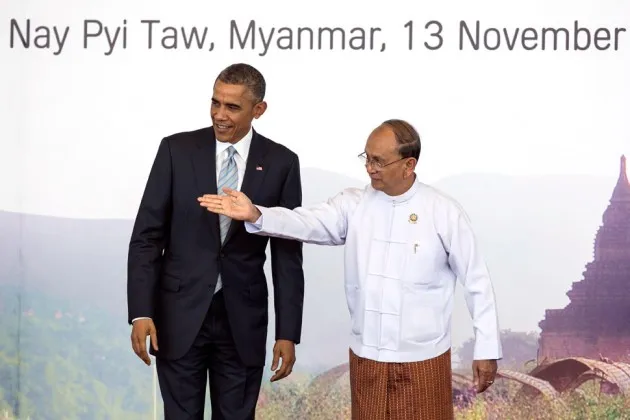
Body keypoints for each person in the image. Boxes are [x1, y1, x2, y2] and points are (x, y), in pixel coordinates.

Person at [199, 119, 502, 419]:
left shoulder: (443, 212)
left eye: (379, 161)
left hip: (424, 358)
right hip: (367, 357)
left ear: (408, 165)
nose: (370, 168)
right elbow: (306, 222)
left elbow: (477, 281)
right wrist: (256, 213)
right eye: (367, 158)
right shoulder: (354, 205)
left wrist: (486, 348)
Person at [127, 63, 305, 419]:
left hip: (243, 321)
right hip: (178, 316)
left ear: (258, 110)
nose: (219, 115)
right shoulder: (176, 150)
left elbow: (287, 255)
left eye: (232, 107)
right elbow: (147, 237)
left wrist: (287, 333)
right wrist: (141, 312)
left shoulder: (282, 163)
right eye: (215, 103)